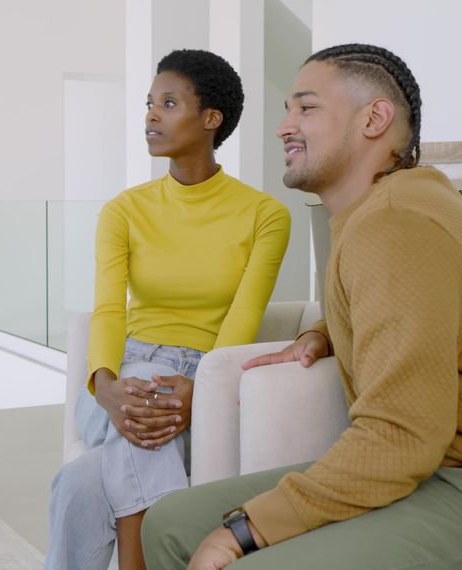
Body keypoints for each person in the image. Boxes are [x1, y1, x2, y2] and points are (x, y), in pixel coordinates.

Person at [141, 43, 462, 570]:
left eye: (306, 108)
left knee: (242, 559)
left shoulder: (398, 222)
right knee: (170, 524)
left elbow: (402, 437)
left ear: (374, 118)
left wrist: (247, 530)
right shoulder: (384, 212)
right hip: (435, 474)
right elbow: (414, 303)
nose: (284, 126)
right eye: (288, 110)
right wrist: (327, 331)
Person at [44, 49, 291, 570]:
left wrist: (204, 389)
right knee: (146, 393)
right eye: (149, 104)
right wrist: (105, 384)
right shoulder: (124, 210)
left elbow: (242, 320)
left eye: (169, 102)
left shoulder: (264, 214)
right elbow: (109, 310)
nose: (151, 115)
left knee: (79, 484)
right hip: (121, 374)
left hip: (203, 376)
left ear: (211, 118)